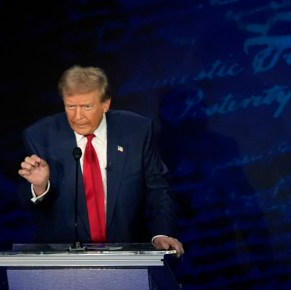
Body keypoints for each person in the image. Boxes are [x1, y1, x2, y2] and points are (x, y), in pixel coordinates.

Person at [16, 65, 184, 256]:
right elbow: (24, 201)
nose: (77, 116)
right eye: (70, 106)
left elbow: (158, 188)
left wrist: (161, 233)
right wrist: (40, 187)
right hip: (61, 259)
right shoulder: (40, 135)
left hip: (127, 254)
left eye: (87, 107)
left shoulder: (136, 131)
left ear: (106, 104)